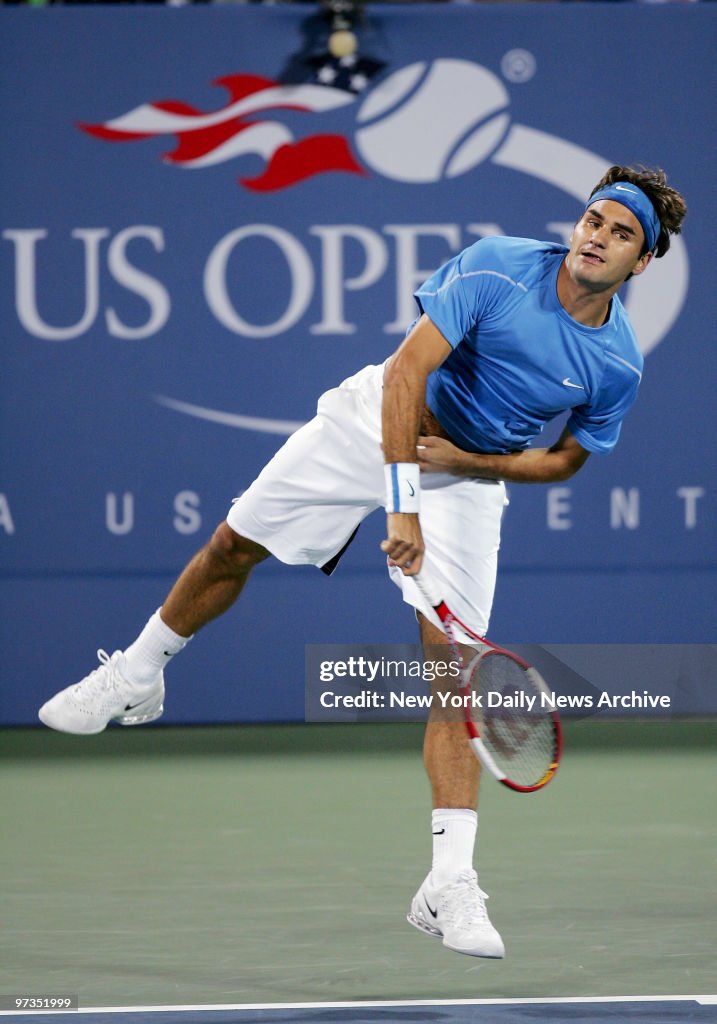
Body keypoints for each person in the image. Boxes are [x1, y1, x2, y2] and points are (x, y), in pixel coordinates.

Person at [39, 164, 687, 959]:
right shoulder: (497, 266)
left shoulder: (616, 361)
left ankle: (448, 883)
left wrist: (469, 467)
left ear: (641, 263)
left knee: (451, 670)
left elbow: (561, 463)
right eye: (594, 219)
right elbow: (408, 372)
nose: (597, 237)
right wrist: (402, 498)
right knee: (232, 544)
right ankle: (137, 675)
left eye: (621, 234)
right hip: (378, 420)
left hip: (468, 472)